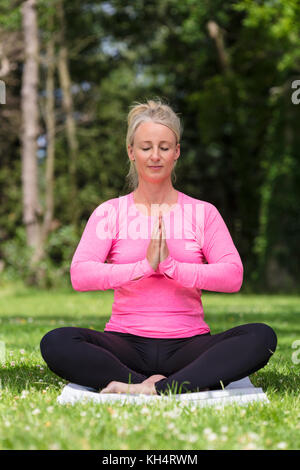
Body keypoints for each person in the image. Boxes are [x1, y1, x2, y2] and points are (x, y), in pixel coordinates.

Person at [40, 98, 277, 396]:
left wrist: (172, 267)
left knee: (261, 337)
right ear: (131, 152)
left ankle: (153, 388)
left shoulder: (202, 212)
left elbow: (233, 276)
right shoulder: (110, 212)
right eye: (145, 147)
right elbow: (80, 275)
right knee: (56, 342)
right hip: (125, 343)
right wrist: (143, 267)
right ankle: (158, 382)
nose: (155, 156)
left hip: (188, 346)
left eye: (164, 147)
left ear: (176, 152)